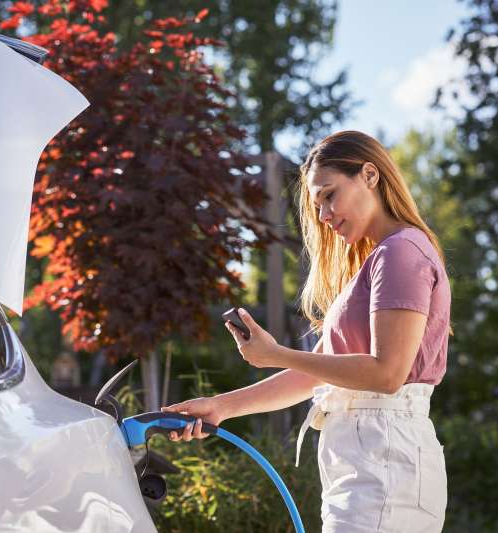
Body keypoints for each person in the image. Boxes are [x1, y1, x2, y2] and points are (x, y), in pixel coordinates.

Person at [161, 130, 450, 532]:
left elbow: (387, 374)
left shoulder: (401, 252)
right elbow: (320, 374)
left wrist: (276, 354)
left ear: (370, 175)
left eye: (329, 195)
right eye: (317, 206)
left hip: (386, 467)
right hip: (368, 464)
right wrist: (223, 406)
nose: (324, 215)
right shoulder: (377, 261)